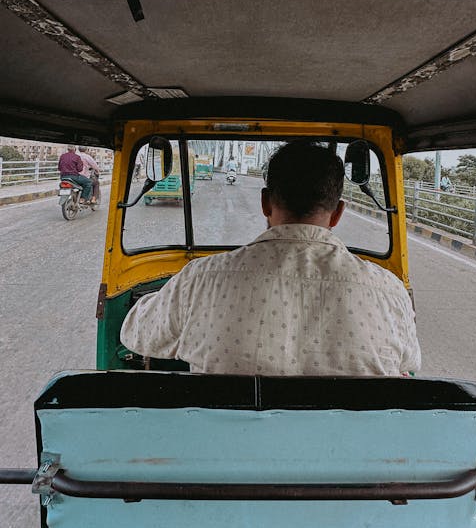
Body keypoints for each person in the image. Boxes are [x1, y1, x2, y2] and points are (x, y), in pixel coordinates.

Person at [121, 141, 421, 377]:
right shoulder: (388, 291)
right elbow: (410, 361)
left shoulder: (201, 279)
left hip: (228, 451)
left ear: (265, 202)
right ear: (338, 212)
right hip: (347, 454)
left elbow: (135, 334)